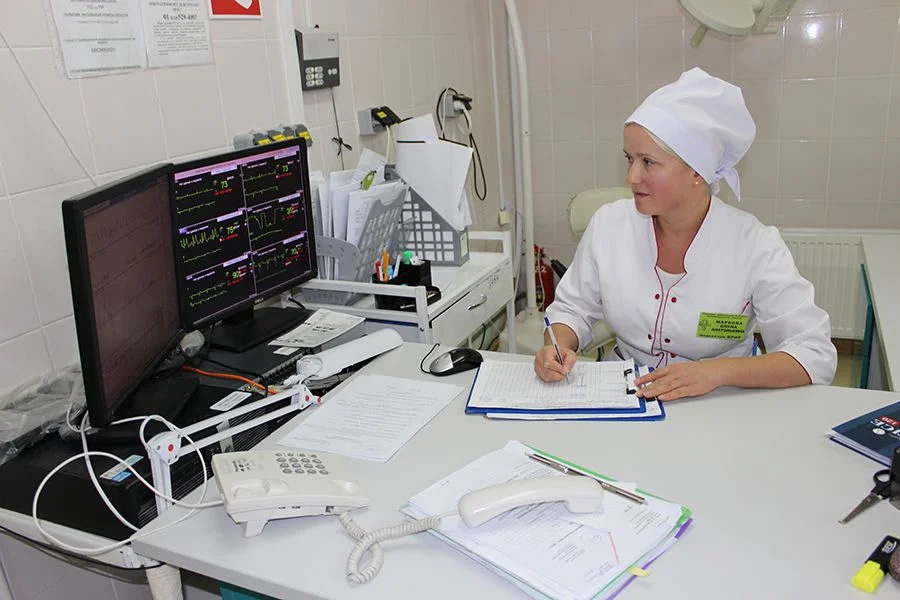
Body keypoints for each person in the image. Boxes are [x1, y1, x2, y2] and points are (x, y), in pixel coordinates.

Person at [535, 68, 837, 401]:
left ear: (696, 171)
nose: (631, 176)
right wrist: (556, 347)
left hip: (721, 399)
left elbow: (814, 354)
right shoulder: (609, 226)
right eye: (630, 159)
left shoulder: (754, 245)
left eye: (648, 162)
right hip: (625, 394)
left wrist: (717, 372)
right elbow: (572, 310)